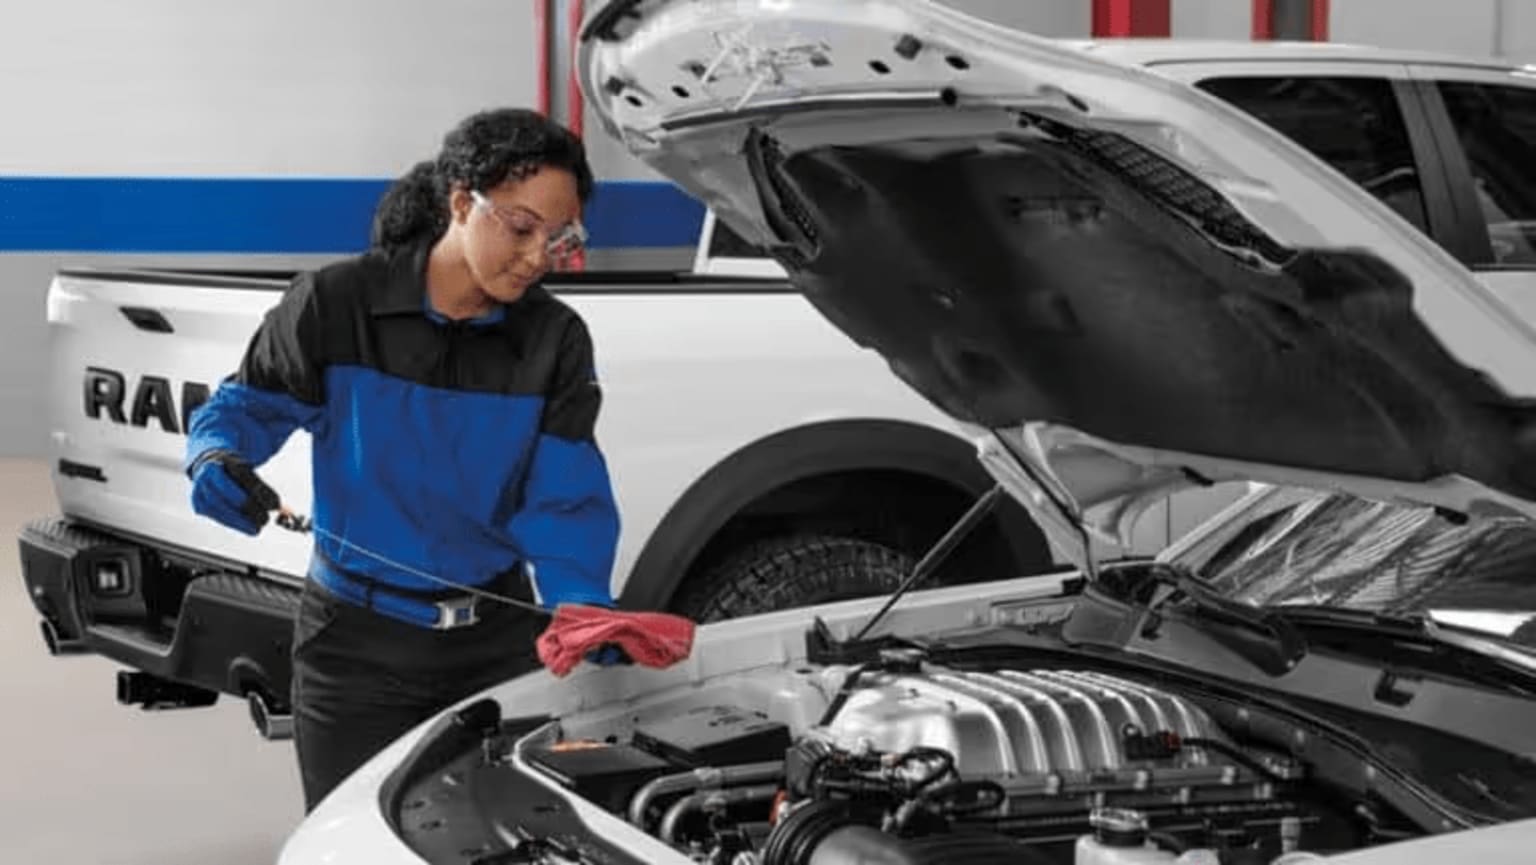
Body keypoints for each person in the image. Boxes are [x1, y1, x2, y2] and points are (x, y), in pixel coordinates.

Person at [182, 107, 624, 813]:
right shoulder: (335, 304)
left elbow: (564, 494)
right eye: (521, 227)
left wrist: (582, 603)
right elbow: (243, 410)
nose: (540, 255)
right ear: (460, 201)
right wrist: (214, 456)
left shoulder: (554, 339)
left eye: (560, 237)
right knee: (356, 837)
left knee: (500, 838)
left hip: (497, 648)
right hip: (353, 652)